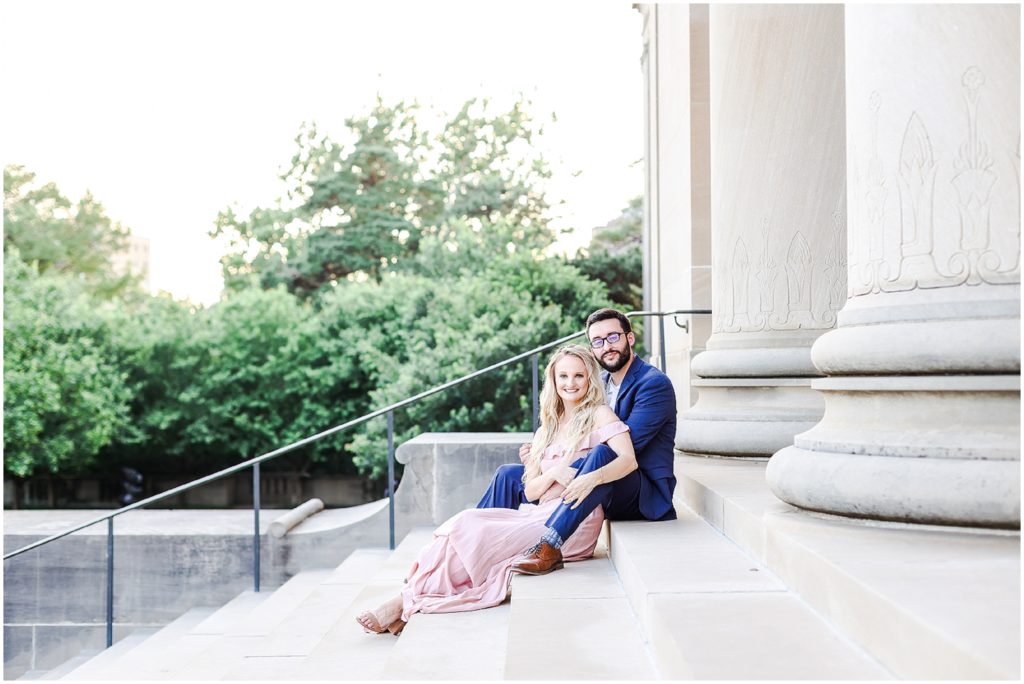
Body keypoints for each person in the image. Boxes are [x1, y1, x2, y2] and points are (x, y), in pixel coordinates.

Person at [355, 345, 635, 635]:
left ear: (590, 379)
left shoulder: (599, 415)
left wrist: (590, 478)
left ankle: (401, 603)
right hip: (539, 512)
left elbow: (628, 461)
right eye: (563, 376)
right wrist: (554, 471)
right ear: (553, 380)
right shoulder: (547, 429)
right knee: (466, 523)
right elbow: (532, 492)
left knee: (478, 533)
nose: (570, 383)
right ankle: (408, 600)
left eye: (579, 376)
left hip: (570, 523)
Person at [477, 307, 678, 576]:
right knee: (508, 475)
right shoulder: (602, 381)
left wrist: (556, 468)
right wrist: (543, 456)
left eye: (613, 337)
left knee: (600, 455)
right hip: (598, 478)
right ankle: (478, 540)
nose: (607, 346)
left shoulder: (653, 384)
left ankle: (549, 545)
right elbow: (577, 429)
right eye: (598, 341)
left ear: (630, 338)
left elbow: (626, 448)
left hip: (639, 489)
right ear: (592, 349)